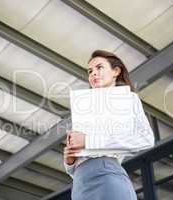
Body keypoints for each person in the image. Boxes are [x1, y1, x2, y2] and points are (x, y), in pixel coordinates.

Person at [63, 50, 155, 200]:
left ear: (116, 71)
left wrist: (88, 141)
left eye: (99, 67)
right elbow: (76, 165)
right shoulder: (84, 107)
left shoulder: (128, 99)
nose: (93, 73)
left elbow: (146, 139)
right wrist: (70, 161)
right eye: (90, 71)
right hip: (79, 183)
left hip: (106, 173)